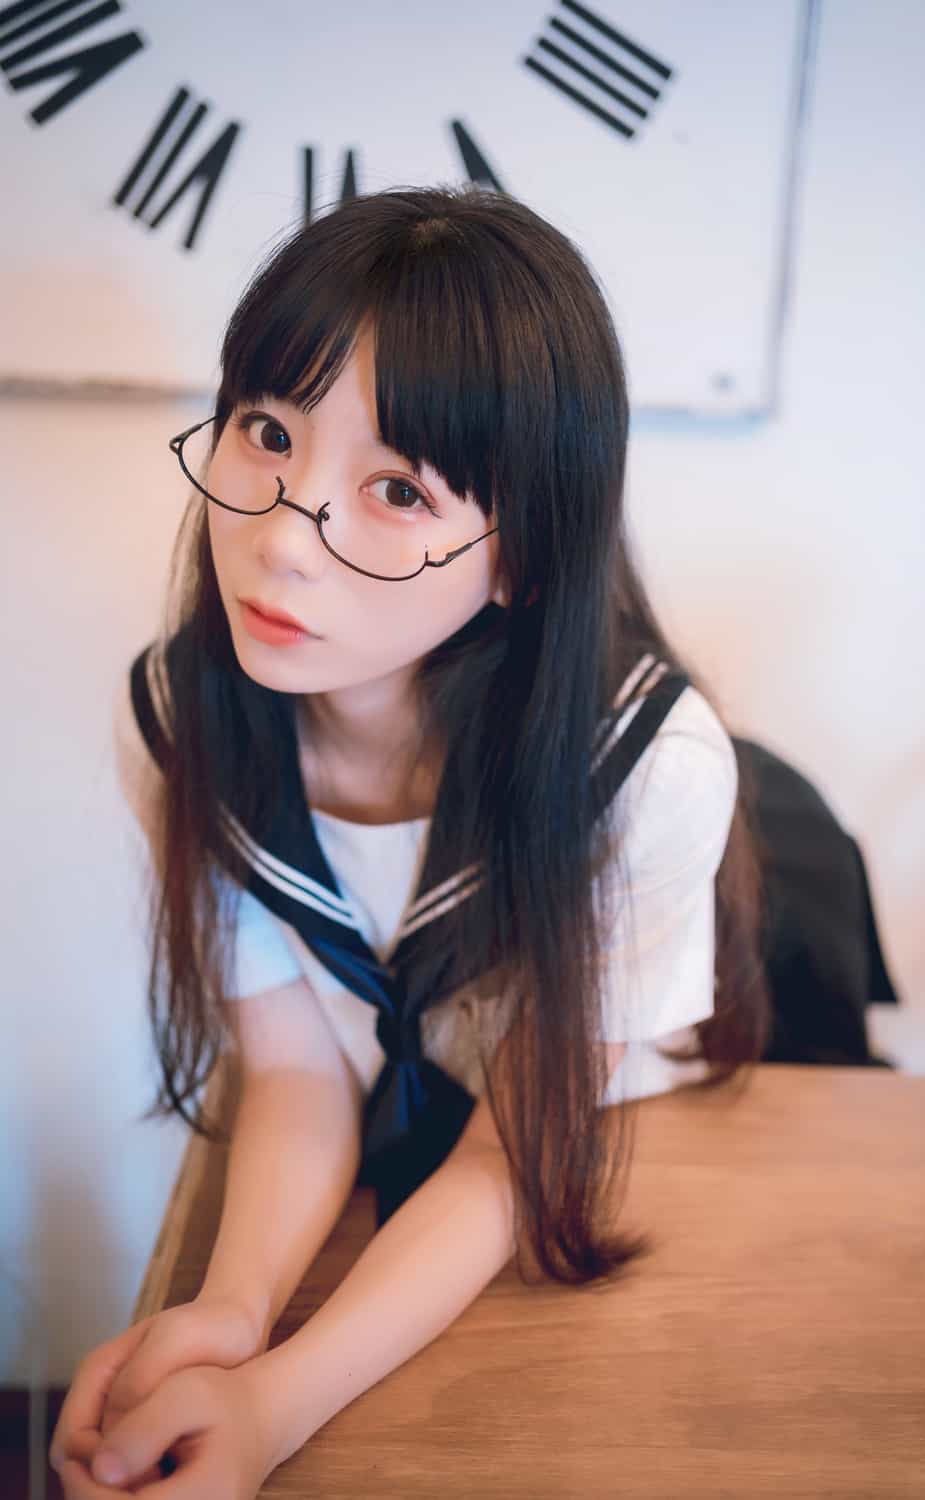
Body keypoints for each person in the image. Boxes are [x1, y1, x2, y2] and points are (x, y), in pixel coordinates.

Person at [51, 182, 770, 1497]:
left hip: (629, 1122)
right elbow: (297, 1070)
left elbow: (512, 1148)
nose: (282, 542)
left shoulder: (645, 777)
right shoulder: (180, 721)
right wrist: (231, 1314)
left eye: (396, 488)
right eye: (269, 431)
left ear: (522, 557)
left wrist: (273, 1406)